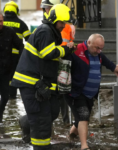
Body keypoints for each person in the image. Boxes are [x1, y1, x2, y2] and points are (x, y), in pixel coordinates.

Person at [11, 4, 74, 150]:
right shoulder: (45, 31)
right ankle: (41, 147)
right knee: (41, 118)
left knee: (52, 111)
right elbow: (47, 53)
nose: (63, 25)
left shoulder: (50, 32)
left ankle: (26, 123)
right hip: (31, 83)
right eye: (61, 22)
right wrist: (65, 49)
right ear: (53, 20)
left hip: (41, 82)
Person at [65, 34, 118, 150]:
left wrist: (114, 68)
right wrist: (67, 48)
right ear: (88, 43)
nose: (99, 51)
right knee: (84, 117)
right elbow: (62, 60)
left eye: (101, 48)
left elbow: (106, 61)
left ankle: (71, 135)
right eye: (97, 48)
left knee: (81, 118)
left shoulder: (98, 54)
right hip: (76, 92)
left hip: (90, 94)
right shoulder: (76, 51)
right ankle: (84, 146)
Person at [3, 1, 31, 99]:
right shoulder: (21, 23)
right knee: (13, 75)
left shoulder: (1, 22)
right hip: (15, 56)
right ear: (16, 10)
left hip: (2, 55)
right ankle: (12, 96)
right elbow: (29, 38)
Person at [0, 12, 24, 123]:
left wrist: (20, 61)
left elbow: (20, 45)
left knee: (5, 97)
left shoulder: (9, 32)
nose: (0, 23)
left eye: (1, 21)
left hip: (5, 71)